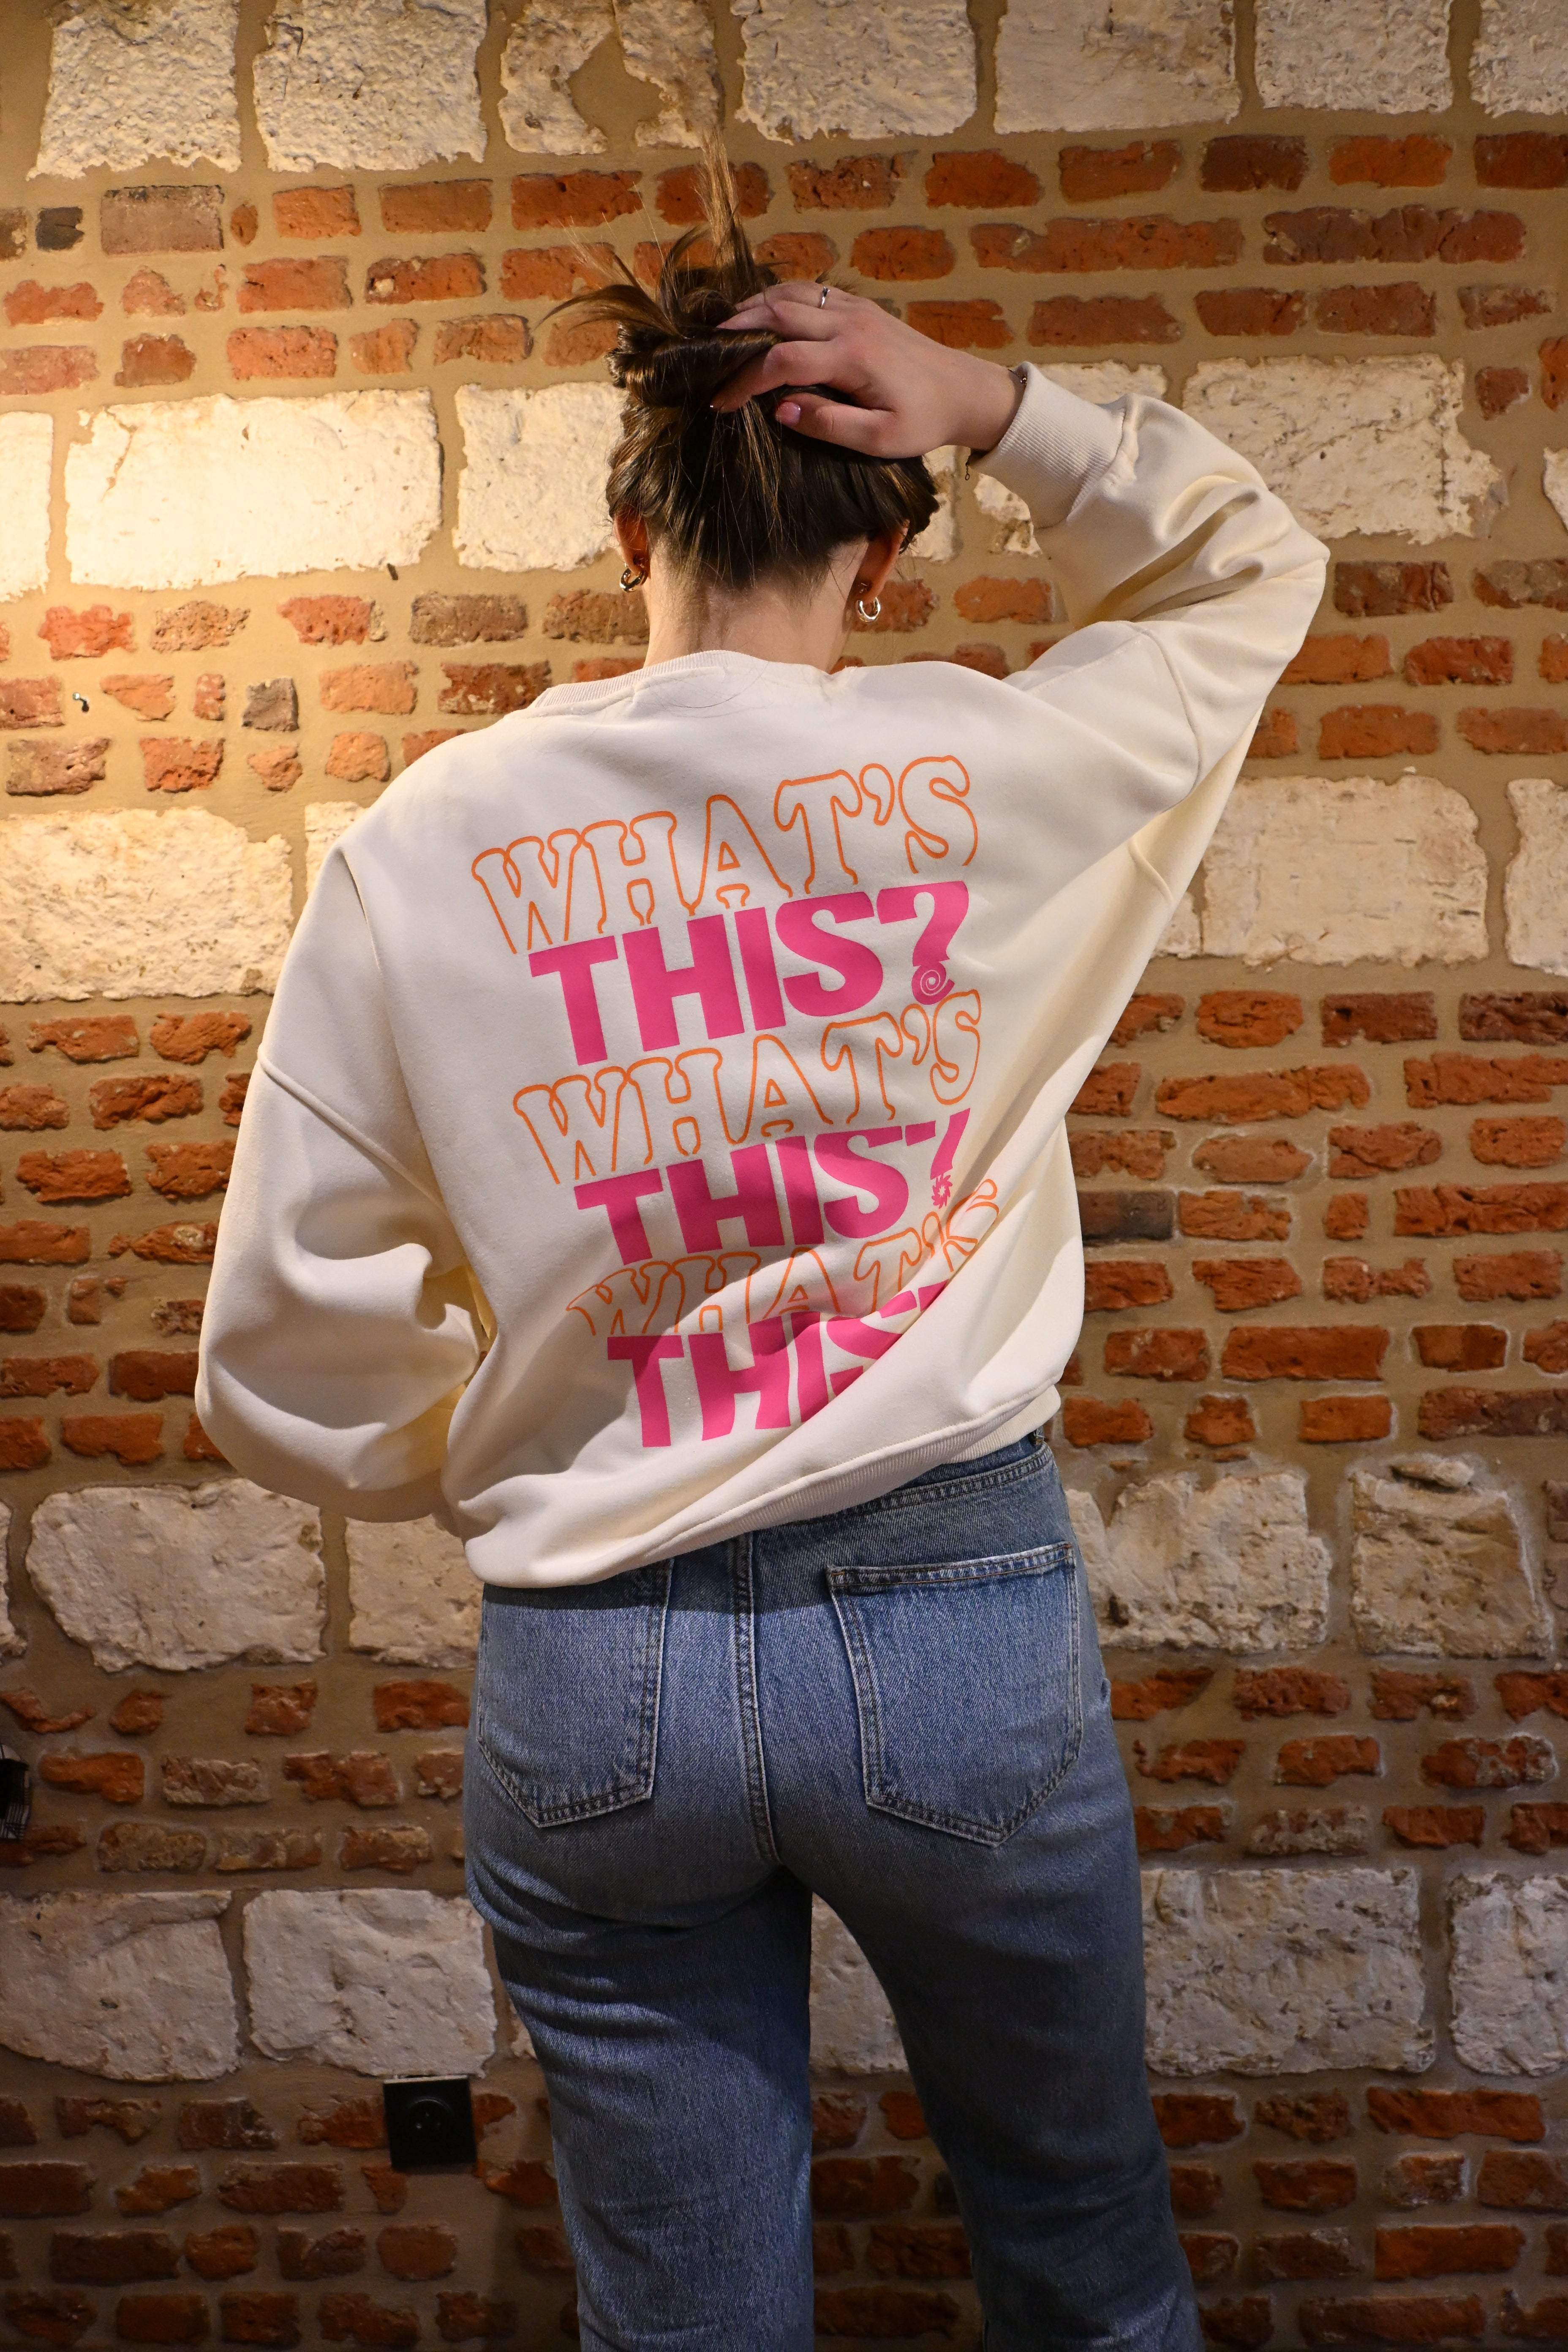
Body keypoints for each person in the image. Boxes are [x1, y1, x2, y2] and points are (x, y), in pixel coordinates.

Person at [199, 149, 1326, 2352]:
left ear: (629, 529)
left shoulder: (424, 842)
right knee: (1086, 2261)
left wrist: (522, 1439)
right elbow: (1248, 559)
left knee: (684, 2324)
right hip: (955, 1613)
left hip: (596, 1657)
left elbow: (289, 1341)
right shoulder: (1000, 765)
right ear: (885, 560)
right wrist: (984, 398)